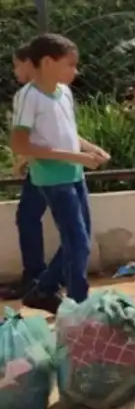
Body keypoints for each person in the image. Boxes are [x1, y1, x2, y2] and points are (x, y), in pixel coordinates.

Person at [11, 34, 110, 312]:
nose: (75, 72)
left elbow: (67, 133)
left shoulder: (63, 92)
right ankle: (79, 304)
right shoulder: (28, 96)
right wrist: (75, 156)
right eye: (69, 64)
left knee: (78, 240)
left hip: (75, 174)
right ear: (46, 62)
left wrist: (91, 148)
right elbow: (20, 143)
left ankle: (43, 289)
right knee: (77, 242)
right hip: (53, 179)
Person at [10, 44, 50, 300]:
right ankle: (39, 278)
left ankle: (39, 279)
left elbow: (32, 132)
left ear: (28, 63)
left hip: (46, 168)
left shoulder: (28, 93)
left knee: (27, 218)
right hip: (45, 165)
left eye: (16, 64)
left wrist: (23, 157)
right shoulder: (52, 90)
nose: (15, 71)